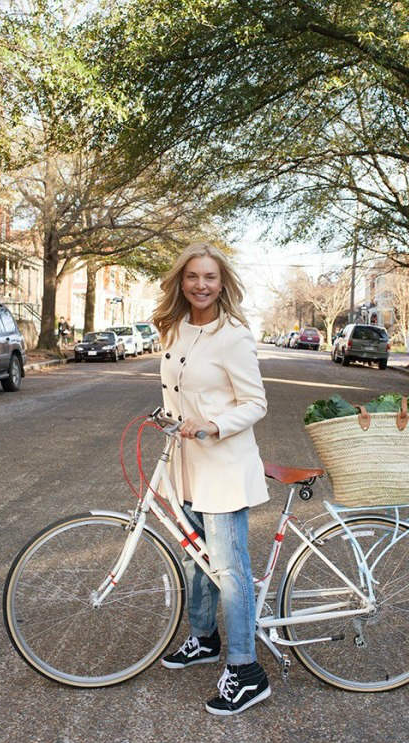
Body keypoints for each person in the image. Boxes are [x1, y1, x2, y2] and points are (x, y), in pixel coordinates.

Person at [153, 242, 270, 716]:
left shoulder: (234, 335)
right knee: (196, 562)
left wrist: (213, 425)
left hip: (222, 466)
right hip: (184, 466)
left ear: (223, 285)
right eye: (193, 276)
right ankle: (203, 639)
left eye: (210, 277)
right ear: (181, 281)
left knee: (230, 571)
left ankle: (247, 671)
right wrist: (169, 417)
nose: (201, 285)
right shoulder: (174, 329)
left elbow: (256, 402)